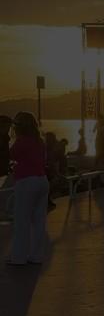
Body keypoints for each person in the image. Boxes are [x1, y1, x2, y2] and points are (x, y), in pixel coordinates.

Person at [7, 112, 48, 265]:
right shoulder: (40, 141)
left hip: (26, 182)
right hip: (42, 181)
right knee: (39, 221)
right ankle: (36, 256)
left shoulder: (21, 141)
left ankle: (18, 258)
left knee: (21, 220)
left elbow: (9, 155)